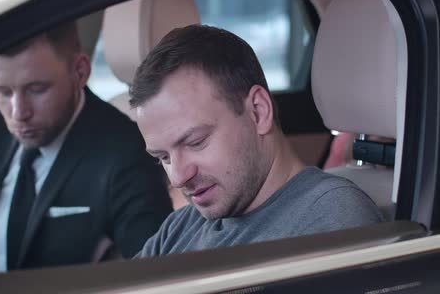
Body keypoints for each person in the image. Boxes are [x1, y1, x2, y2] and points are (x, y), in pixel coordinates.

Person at [0, 22, 172, 273]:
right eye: (4, 91)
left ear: (80, 72)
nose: (19, 113)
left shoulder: (124, 151)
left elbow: (153, 270)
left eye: (36, 89)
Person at [129, 25, 384, 257]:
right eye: (163, 157)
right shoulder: (179, 228)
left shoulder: (332, 220)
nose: (178, 178)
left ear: (258, 112)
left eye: (196, 142)